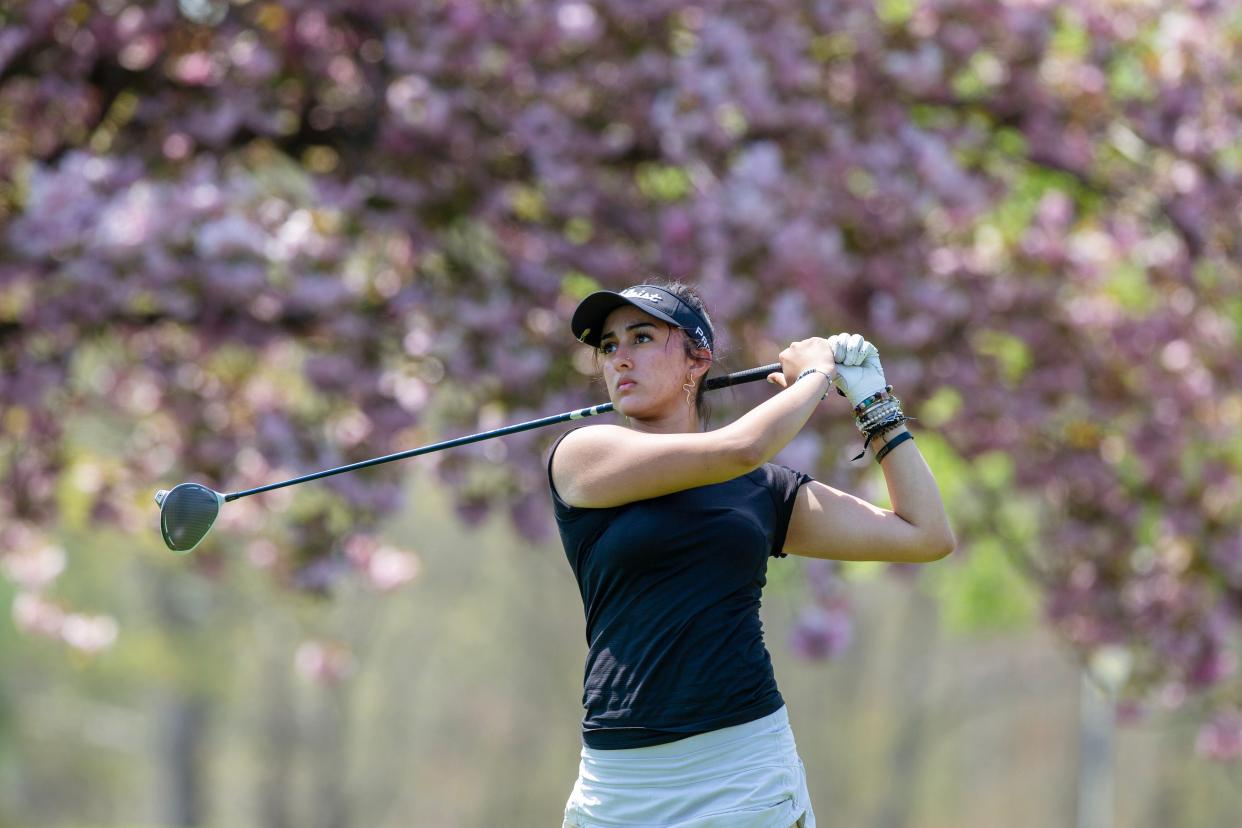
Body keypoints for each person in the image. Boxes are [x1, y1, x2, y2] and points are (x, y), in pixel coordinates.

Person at [546, 281, 955, 828]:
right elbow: (738, 448)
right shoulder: (583, 454)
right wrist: (815, 375)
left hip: (745, 771)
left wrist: (873, 404)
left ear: (699, 360)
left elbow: (925, 534)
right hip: (619, 786)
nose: (620, 357)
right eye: (608, 346)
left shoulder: (762, 490)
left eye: (641, 337)